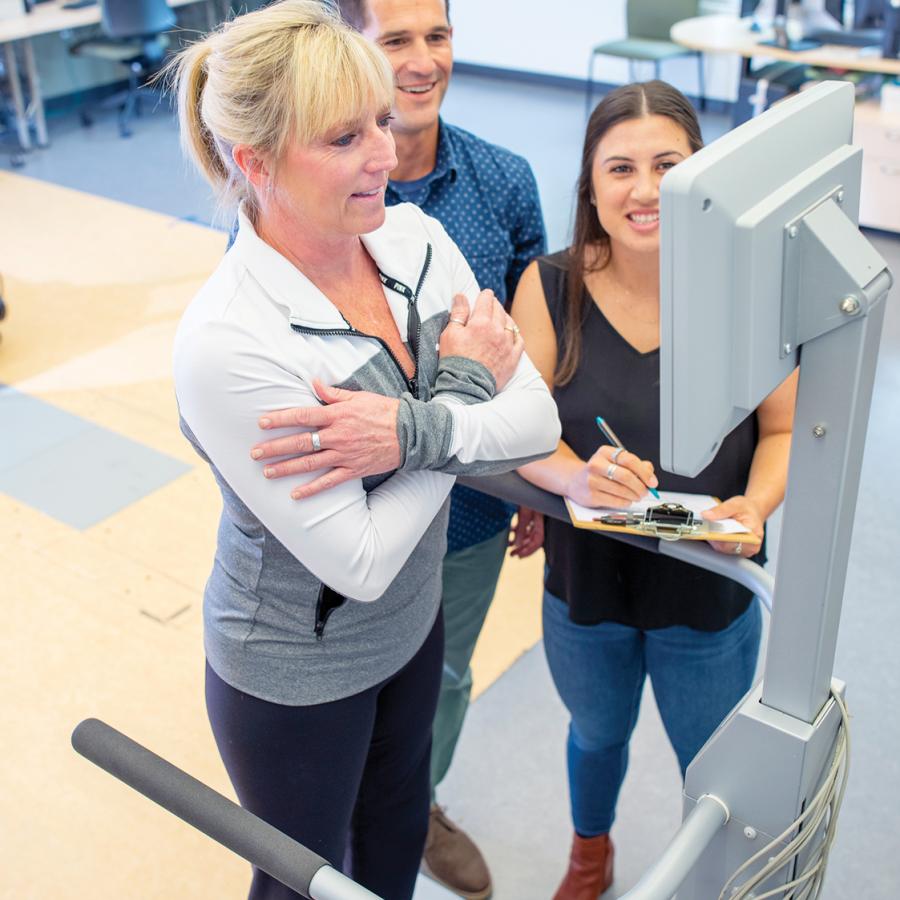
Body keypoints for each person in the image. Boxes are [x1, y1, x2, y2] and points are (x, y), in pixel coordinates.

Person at [169, 4, 560, 899]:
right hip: (295, 671)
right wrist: (458, 394)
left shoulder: (410, 237)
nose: (385, 154)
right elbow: (362, 558)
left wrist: (408, 431)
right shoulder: (231, 341)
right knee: (303, 885)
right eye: (346, 136)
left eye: (380, 121)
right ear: (253, 161)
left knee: (389, 850)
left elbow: (535, 420)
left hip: (413, 627)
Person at [510, 81, 798, 900]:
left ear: (703, 175)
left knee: (710, 761)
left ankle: (708, 879)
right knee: (596, 733)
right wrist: (574, 471)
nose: (644, 190)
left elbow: (780, 431)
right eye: (621, 168)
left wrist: (759, 503)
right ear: (591, 187)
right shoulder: (549, 286)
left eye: (668, 166)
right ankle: (589, 852)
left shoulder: (750, 290)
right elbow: (525, 430)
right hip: (585, 581)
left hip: (708, 583)